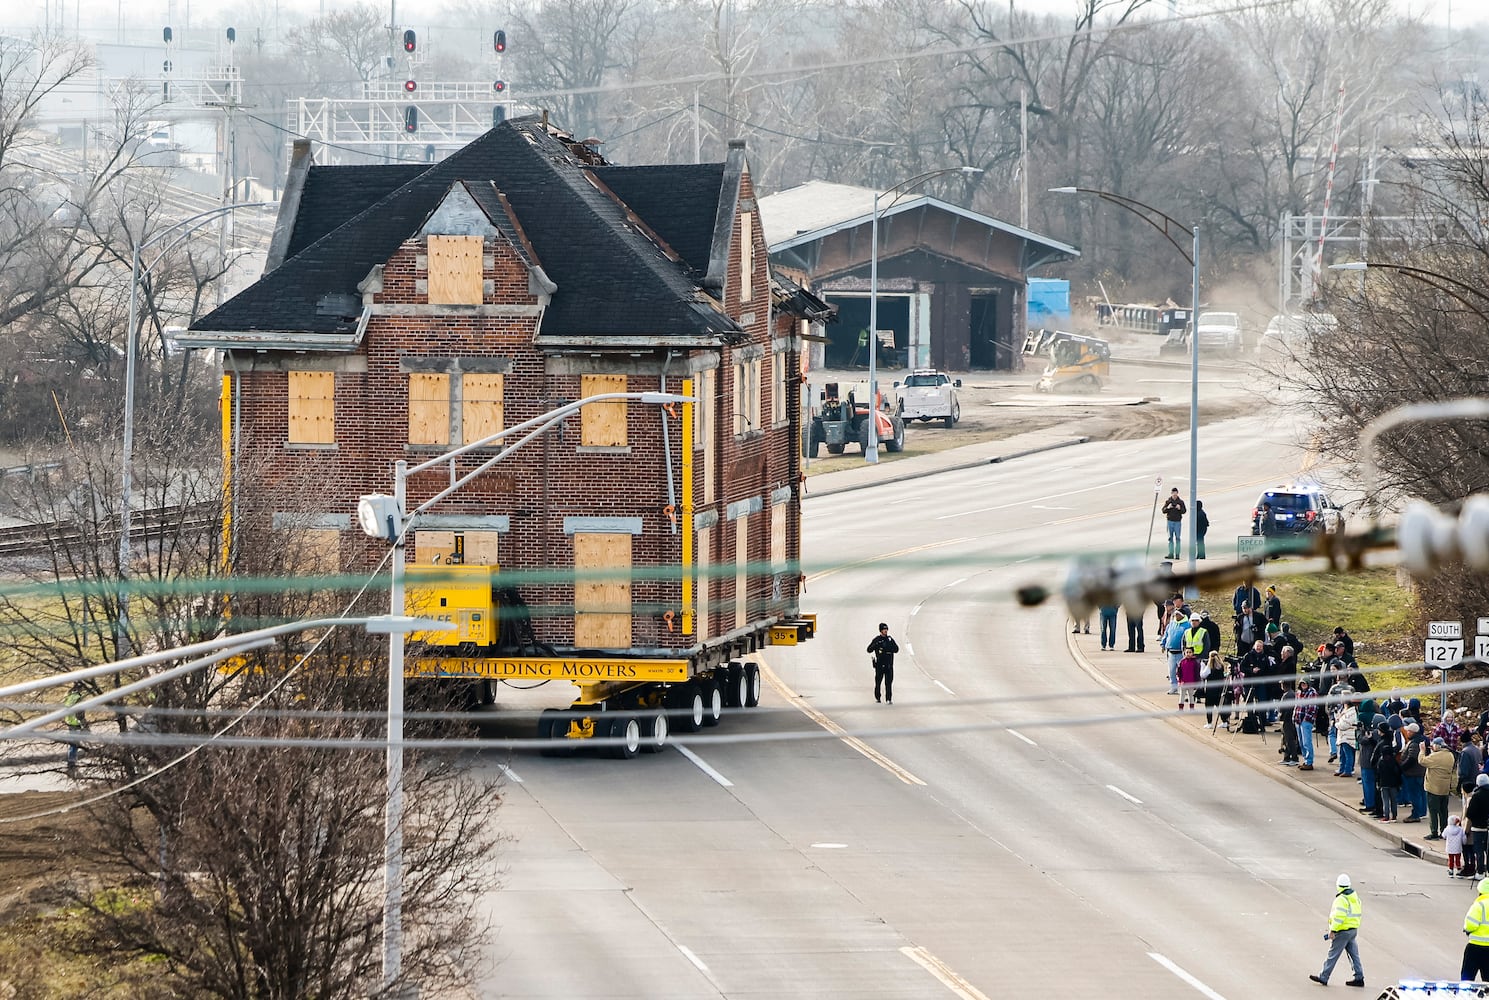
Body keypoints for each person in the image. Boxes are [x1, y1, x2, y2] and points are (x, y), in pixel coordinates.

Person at [1310, 872, 1364, 988]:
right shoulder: (1354, 897)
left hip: (1342, 931)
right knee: (1354, 955)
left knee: (1333, 954)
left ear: (1338, 885)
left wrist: (1332, 930)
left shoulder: (1341, 899)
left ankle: (1324, 977)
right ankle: (1359, 977)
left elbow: (1339, 917)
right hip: (1353, 930)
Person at [1424, 737, 1458, 840]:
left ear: (1437, 745)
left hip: (1433, 787)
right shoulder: (1450, 755)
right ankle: (1444, 830)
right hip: (1445, 788)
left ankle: (1434, 831)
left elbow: (1422, 761)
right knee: (1444, 811)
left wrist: (1422, 751)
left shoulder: (1436, 756)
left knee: (1433, 811)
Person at [1375, 720, 1403, 823]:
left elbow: (1378, 773)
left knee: (1385, 800)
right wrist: (1399, 783)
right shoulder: (1394, 761)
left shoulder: (1381, 762)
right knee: (1393, 800)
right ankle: (1394, 816)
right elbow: (1398, 772)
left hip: (1384, 784)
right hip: (1393, 784)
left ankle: (1386, 816)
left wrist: (1378, 782)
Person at [867, 623, 898, 704]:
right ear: (880, 630)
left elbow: (896, 649)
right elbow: (869, 649)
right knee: (878, 682)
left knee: (888, 683)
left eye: (886, 629)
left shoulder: (890, 639)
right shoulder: (877, 639)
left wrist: (889, 647)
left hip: (889, 665)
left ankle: (888, 699)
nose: (886, 631)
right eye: (884, 629)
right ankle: (878, 697)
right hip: (880, 665)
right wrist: (877, 645)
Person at [1465, 877, 1489, 982]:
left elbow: (1470, 925)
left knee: (1467, 978)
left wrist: (1467, 930)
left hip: (1475, 947)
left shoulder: (1479, 905)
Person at [1294, 677, 1318, 770]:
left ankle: (1309, 761)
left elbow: (1313, 707)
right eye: (1302, 684)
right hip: (1298, 720)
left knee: (1306, 742)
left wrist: (1306, 719)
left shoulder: (1312, 693)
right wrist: (1294, 717)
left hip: (1306, 720)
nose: (1303, 685)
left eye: (1305, 684)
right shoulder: (1298, 693)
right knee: (1301, 742)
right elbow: (1296, 706)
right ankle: (1305, 760)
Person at [1162, 613, 1189, 695]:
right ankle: (1174, 687)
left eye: (1178, 615)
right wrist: (1163, 644)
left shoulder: (1187, 625)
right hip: (1171, 652)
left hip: (1181, 653)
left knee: (1183, 672)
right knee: (1171, 671)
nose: (1176, 616)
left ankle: (1184, 688)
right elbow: (1166, 634)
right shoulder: (1171, 624)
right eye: (1175, 615)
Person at [1334, 695, 1359, 778]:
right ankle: (1342, 769)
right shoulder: (1345, 710)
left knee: (1348, 755)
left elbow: (1344, 725)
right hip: (1343, 736)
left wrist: (1336, 724)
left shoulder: (1352, 712)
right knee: (1342, 754)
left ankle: (1348, 770)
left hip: (1348, 737)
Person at [63, 682, 85, 774]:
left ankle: (71, 760)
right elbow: (79, 713)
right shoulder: (78, 698)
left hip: (69, 721)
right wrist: (83, 723)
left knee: (73, 742)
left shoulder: (69, 695)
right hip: (76, 722)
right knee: (75, 743)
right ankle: (71, 762)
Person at [1162, 487, 1186, 560]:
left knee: (1178, 538)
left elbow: (1184, 511)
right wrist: (1168, 507)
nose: (1175, 496)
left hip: (1177, 522)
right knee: (1170, 538)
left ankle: (1177, 554)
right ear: (1171, 494)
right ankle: (1171, 553)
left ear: (1177, 494)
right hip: (1170, 521)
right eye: (1173, 494)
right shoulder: (1168, 501)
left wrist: (1179, 508)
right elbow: (1163, 510)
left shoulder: (1180, 502)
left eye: (1176, 494)